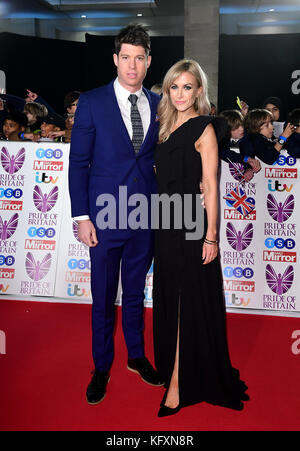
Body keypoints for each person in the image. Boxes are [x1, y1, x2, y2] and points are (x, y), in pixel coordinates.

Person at [68, 24, 164, 406]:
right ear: (115, 59)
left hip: (146, 215)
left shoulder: (160, 103)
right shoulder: (92, 102)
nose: (132, 65)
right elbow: (78, 164)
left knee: (137, 293)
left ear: (149, 62)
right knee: (103, 296)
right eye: (126, 57)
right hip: (104, 218)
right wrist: (82, 217)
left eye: (139, 58)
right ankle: (102, 365)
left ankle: (137, 357)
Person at [153, 59, 249, 417]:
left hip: (192, 225)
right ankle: (174, 368)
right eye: (174, 86)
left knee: (184, 299)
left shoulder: (204, 128)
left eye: (187, 87)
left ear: (199, 91)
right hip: (164, 220)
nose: (180, 93)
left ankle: (179, 381)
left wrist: (211, 237)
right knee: (170, 295)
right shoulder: (164, 126)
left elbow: (211, 185)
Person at [218, 109, 261, 181]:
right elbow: (224, 153)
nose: (242, 129)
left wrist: (248, 167)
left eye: (242, 125)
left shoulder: (243, 134)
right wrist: (247, 159)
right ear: (226, 129)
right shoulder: (218, 138)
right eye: (236, 127)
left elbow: (247, 147)